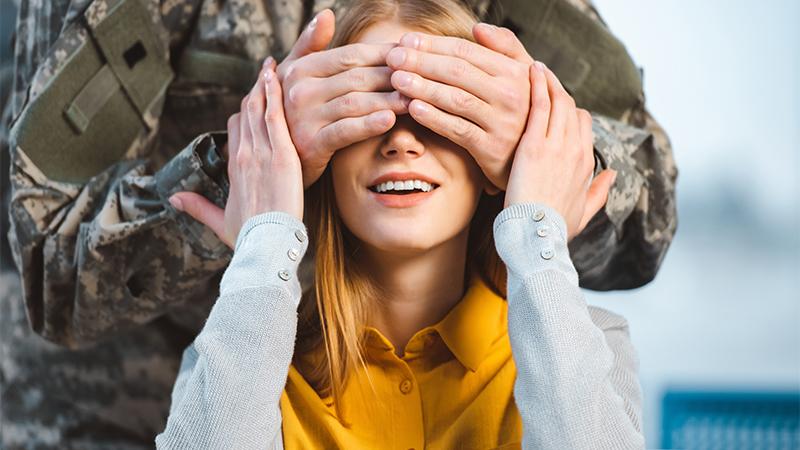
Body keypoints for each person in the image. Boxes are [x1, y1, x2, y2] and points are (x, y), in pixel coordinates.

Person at [2, 0, 674, 447]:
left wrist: (537, 166)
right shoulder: (255, 375)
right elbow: (45, 258)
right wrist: (249, 180)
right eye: (371, 109)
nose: (401, 139)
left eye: (440, 112)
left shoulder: (586, 352)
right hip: (143, 401)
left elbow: (649, 213)